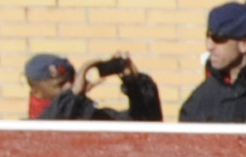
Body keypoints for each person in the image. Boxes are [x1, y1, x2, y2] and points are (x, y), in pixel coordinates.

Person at [25, 51, 162, 120]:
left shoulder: (90, 116)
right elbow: (50, 126)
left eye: (72, 81)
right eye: (60, 85)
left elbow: (146, 124)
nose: (69, 87)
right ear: (37, 92)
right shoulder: (31, 128)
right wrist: (73, 95)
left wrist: (136, 83)